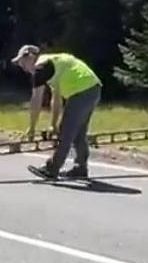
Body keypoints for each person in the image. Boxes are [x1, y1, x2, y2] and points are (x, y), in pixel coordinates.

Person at [11, 44, 102, 181]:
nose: (22, 67)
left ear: (30, 57)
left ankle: (52, 169)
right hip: (92, 88)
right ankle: (80, 168)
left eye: (22, 62)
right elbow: (57, 99)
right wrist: (53, 124)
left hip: (81, 91)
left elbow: (36, 101)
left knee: (65, 132)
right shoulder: (52, 63)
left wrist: (32, 128)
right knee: (78, 133)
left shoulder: (41, 68)